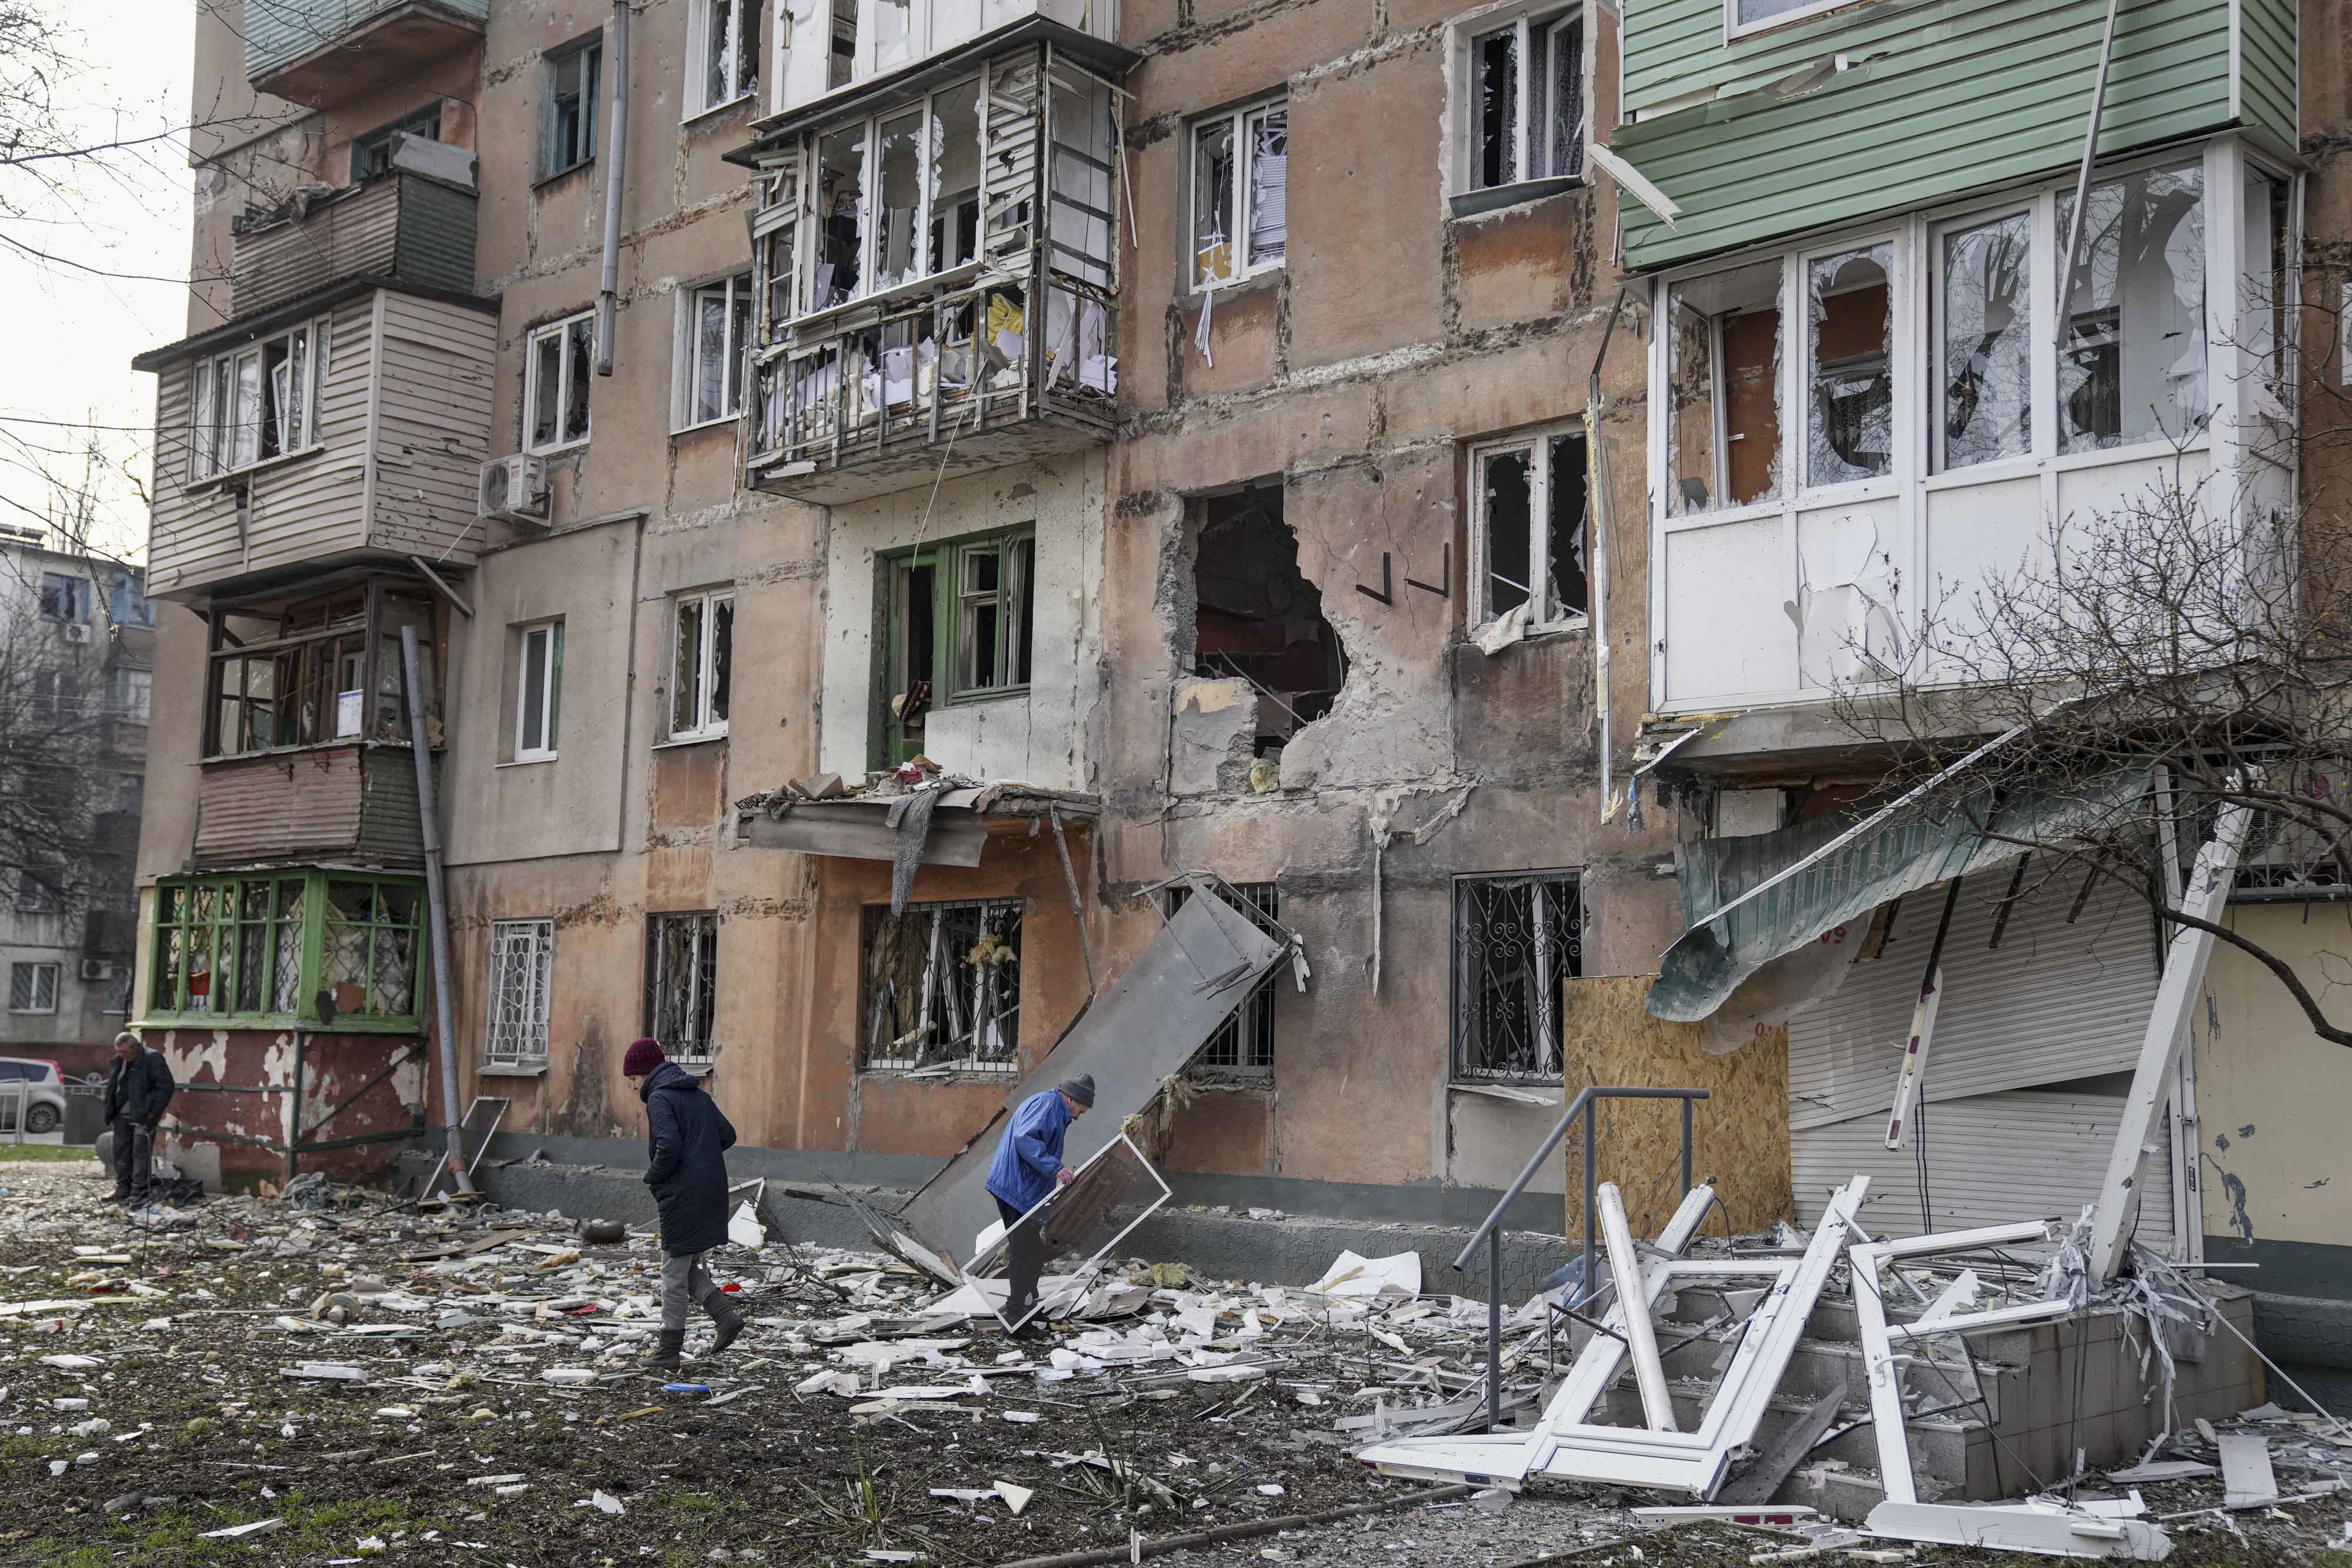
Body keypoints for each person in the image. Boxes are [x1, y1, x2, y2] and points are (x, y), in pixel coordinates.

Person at [622, 1037, 746, 1370]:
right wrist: (701, 1157)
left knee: (672, 1272)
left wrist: (653, 1177)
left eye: (633, 1079)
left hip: (683, 1196)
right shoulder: (699, 1096)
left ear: (645, 1073)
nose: (633, 1088)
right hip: (710, 1190)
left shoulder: (660, 1098)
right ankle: (725, 1316)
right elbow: (728, 1135)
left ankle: (668, 1350)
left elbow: (668, 1146)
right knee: (686, 1265)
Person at [983, 1074, 1094, 1338]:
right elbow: (1025, 1139)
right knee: (1026, 1253)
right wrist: (1057, 1168)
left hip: (1019, 1188)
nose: (1079, 1117)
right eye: (1081, 1110)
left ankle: (1027, 1307)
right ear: (1070, 1099)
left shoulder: (1050, 1105)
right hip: (1015, 1189)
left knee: (1031, 1250)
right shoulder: (1047, 1105)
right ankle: (1017, 1319)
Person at [100, 1031, 174, 1209]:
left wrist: (152, 1111)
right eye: (119, 1051)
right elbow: (114, 1087)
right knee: (121, 1154)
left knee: (140, 1155)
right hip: (121, 1116)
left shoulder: (153, 1058)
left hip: (144, 1116)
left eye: (124, 1051)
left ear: (135, 1047)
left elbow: (165, 1087)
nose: (121, 1055)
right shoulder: (120, 1061)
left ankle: (138, 1193)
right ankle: (122, 1190)